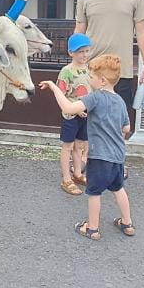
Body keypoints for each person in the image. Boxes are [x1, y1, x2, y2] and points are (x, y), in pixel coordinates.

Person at [40, 54, 135, 241]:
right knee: (119, 189)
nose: (89, 79)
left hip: (99, 157)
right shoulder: (120, 101)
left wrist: (54, 87)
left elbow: (68, 108)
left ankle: (92, 228)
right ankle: (127, 223)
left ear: (102, 80)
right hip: (117, 156)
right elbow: (126, 128)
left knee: (94, 193)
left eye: (91, 76)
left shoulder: (95, 97)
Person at [74, 0, 144, 112]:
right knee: (89, 119)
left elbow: (141, 32)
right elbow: (79, 32)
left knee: (120, 120)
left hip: (120, 72)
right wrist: (76, 64)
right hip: (92, 70)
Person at [56, 33, 93, 195]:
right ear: (71, 53)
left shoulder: (90, 69)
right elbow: (60, 95)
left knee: (80, 145)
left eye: (86, 51)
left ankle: (78, 173)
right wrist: (76, 109)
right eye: (80, 52)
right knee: (68, 146)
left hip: (86, 113)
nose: (84, 55)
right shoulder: (66, 71)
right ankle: (66, 178)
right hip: (70, 115)